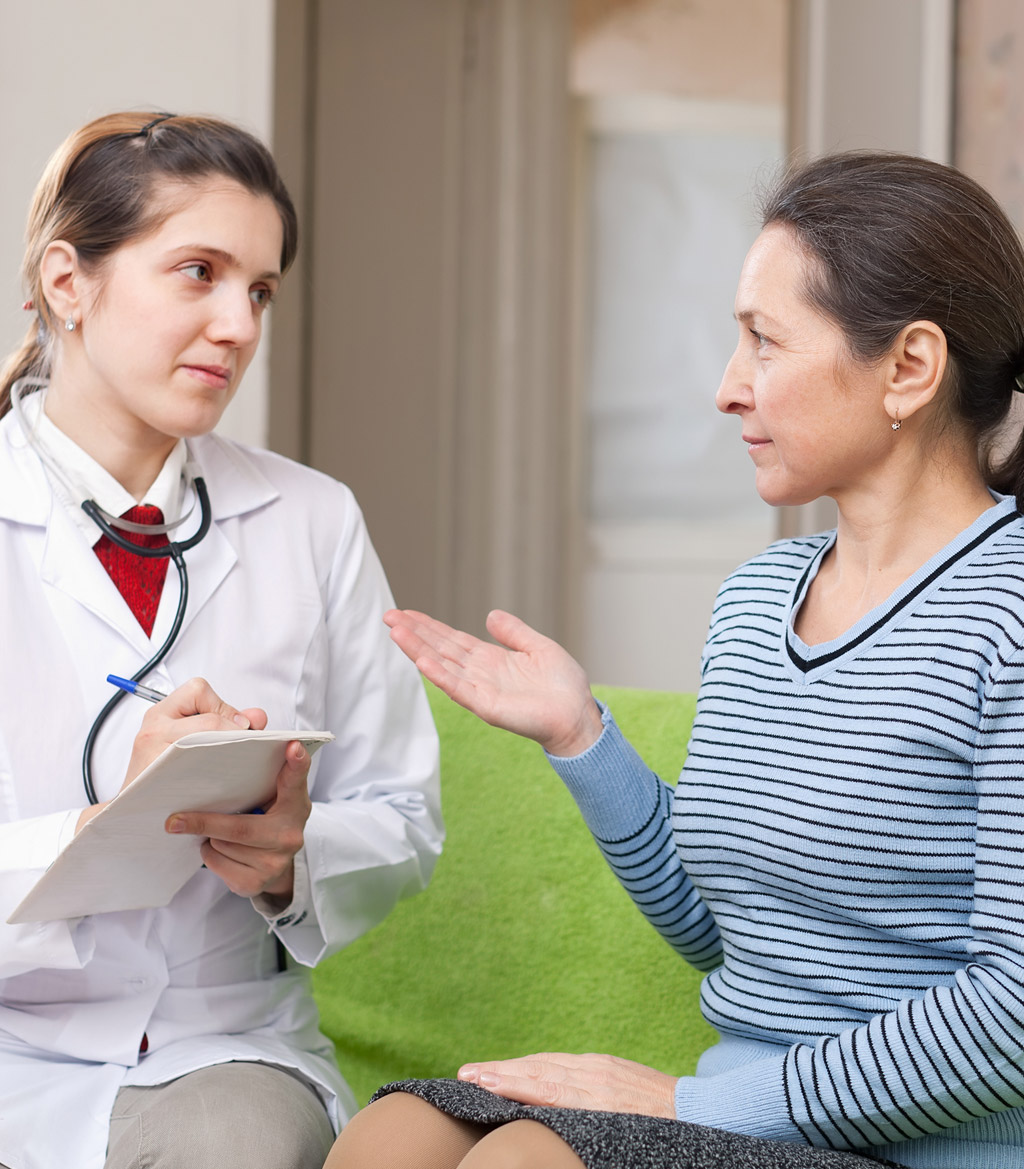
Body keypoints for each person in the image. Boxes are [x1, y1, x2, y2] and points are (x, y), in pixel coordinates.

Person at [323, 150, 1024, 1169]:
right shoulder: (755, 601)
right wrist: (580, 734)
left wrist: (705, 1098)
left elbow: (1011, 1012)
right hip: (738, 1111)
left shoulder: (1006, 613)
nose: (726, 389)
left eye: (763, 343)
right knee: (391, 1138)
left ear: (908, 368)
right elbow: (722, 927)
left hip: (929, 1145)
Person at [0, 111, 443, 1169]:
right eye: (197, 271)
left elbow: (404, 816)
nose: (238, 324)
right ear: (69, 282)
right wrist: (99, 828)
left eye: (259, 289)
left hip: (217, 1048)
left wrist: (291, 857)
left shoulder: (312, 516)